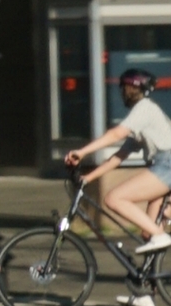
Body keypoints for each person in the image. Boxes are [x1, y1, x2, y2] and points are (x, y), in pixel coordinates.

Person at [65, 68, 171, 254]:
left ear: (131, 88)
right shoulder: (141, 115)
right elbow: (119, 156)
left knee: (114, 198)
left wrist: (81, 152)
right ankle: (155, 280)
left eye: (123, 88)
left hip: (167, 164)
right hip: (163, 165)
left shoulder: (144, 108)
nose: (122, 93)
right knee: (148, 232)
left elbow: (115, 134)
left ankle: (160, 236)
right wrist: (88, 178)